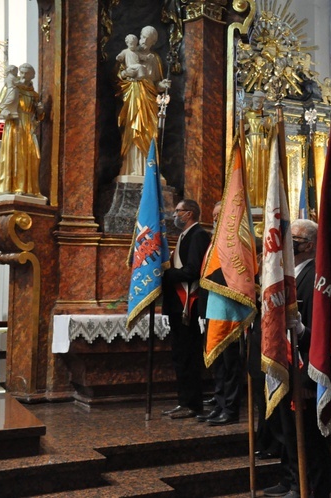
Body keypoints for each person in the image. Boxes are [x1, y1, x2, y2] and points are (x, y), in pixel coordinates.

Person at [264, 219, 331, 498]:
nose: (288, 243)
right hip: (286, 365)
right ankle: (292, 478)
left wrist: (307, 378)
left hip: (305, 370)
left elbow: (319, 332)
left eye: (295, 238)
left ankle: (313, 487)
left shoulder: (317, 276)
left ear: (311, 245)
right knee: (287, 430)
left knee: (310, 438)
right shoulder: (288, 273)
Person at [161, 200, 211, 419]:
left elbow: (193, 271)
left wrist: (165, 274)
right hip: (177, 305)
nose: (175, 214)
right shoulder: (184, 236)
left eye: (178, 211)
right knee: (179, 356)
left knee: (188, 356)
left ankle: (192, 404)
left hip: (187, 305)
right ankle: (184, 402)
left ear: (189, 214)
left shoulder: (198, 235)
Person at [196, 201, 242, 425]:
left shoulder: (235, 244)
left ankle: (231, 409)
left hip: (229, 313)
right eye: (213, 215)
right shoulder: (214, 242)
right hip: (213, 311)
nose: (215, 219)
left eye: (219, 215)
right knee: (219, 364)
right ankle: (220, 402)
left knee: (231, 364)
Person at [116, 25, 171, 177]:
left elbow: (156, 83)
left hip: (148, 100)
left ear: (153, 42)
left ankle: (149, 168)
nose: (144, 40)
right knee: (133, 129)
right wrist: (126, 73)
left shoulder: (155, 59)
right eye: (143, 36)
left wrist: (163, 85)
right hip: (133, 96)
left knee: (149, 131)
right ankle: (130, 168)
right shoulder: (130, 52)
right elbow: (118, 76)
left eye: (148, 38)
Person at [0, 63, 45, 197]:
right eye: (21, 73)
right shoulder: (12, 88)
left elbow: (39, 117)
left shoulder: (34, 94)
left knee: (34, 156)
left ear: (32, 75)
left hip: (28, 127)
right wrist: (4, 112)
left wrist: (40, 111)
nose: (22, 76)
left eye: (25, 73)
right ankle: (14, 187)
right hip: (15, 126)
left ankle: (31, 189)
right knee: (16, 155)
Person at [244, 91, 273, 207]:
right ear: (252, 101)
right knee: (249, 172)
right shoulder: (246, 115)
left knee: (262, 172)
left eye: (260, 102)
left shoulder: (267, 116)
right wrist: (243, 128)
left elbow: (274, 133)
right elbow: (239, 133)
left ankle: (263, 202)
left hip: (262, 148)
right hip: (250, 145)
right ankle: (249, 202)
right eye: (256, 102)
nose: (258, 104)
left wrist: (267, 126)